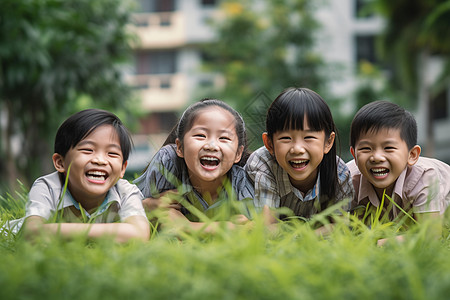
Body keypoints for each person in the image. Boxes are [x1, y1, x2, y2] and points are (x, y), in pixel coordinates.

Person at [20, 109, 150, 242]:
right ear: (60, 162)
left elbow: (140, 233)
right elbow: (32, 232)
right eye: (88, 150)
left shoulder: (125, 192)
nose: (100, 160)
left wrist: (54, 231)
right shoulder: (47, 188)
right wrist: (118, 232)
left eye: (112, 153)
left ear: (123, 168)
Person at [134, 99, 254, 232]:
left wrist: (188, 227)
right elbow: (126, 207)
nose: (211, 146)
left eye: (224, 138)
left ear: (238, 153)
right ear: (180, 147)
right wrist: (150, 204)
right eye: (200, 135)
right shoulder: (168, 162)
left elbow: (252, 229)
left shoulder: (242, 180)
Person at [245, 87, 353, 224]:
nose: (297, 149)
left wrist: (305, 236)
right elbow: (267, 227)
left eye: (308, 137)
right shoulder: (264, 164)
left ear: (328, 142)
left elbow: (339, 228)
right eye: (286, 138)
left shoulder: (339, 173)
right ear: (269, 144)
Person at [347, 100, 450, 243]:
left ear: (412, 155)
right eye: (365, 148)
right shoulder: (349, 178)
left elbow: (431, 237)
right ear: (354, 154)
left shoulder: (425, 177)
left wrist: (378, 243)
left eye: (388, 148)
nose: (376, 157)